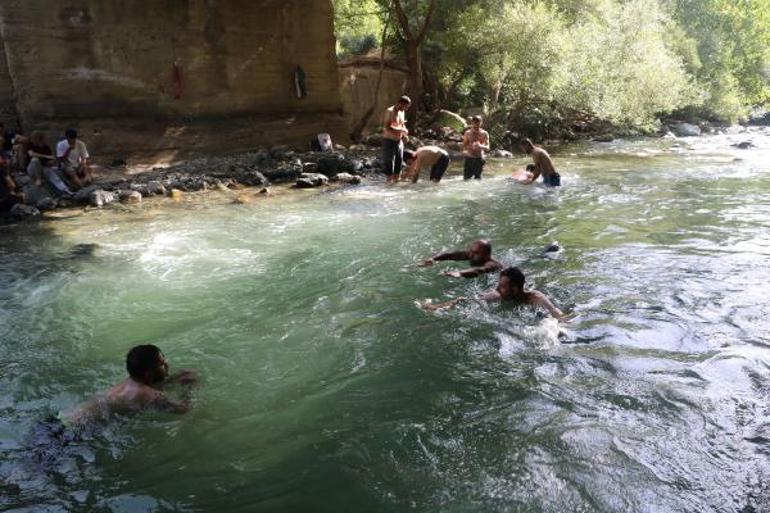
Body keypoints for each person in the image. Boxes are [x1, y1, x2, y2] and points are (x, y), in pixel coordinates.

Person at [59, 344, 199, 426]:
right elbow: (184, 409)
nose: (167, 365)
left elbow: (152, 384)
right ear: (148, 374)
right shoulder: (148, 394)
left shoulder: (130, 381)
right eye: (162, 364)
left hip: (61, 419)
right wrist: (189, 387)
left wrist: (175, 378)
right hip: (70, 433)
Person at [422, 266, 565, 319]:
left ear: (515, 288)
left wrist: (561, 323)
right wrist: (436, 307)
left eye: (502, 286)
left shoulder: (535, 297)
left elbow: (556, 312)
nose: (498, 288)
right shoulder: (498, 294)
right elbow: (464, 299)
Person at [419, 239, 503, 278]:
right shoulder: (472, 254)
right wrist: (433, 259)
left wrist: (460, 273)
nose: (471, 255)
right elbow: (451, 255)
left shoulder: (491, 264)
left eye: (476, 253)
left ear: (486, 256)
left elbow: (478, 270)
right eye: (471, 251)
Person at [382, 96, 411, 183]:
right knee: (390, 161)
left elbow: (401, 125)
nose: (406, 109)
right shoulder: (389, 111)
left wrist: (404, 134)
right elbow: (387, 127)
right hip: (389, 140)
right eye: (406, 106)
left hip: (399, 141)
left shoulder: (402, 112)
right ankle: (389, 181)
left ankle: (396, 182)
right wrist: (401, 130)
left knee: (399, 161)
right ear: (400, 103)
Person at [462, 116, 490, 180]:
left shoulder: (484, 133)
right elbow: (464, 146)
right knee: (466, 179)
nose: (476, 125)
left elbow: (488, 147)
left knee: (478, 179)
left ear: (481, 123)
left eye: (478, 123)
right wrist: (470, 146)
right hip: (469, 158)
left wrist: (480, 146)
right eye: (474, 123)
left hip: (479, 159)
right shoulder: (468, 133)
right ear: (472, 123)